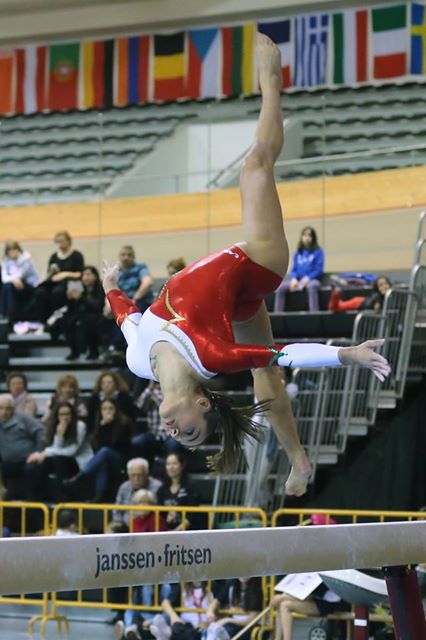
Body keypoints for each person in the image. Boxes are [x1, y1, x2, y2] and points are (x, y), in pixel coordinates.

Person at [101, 34, 391, 497]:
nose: (179, 433)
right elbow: (285, 355)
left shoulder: (139, 363)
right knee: (255, 165)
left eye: (181, 438)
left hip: (236, 300)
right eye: (193, 430)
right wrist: (347, 355)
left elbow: (127, 320)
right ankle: (271, 84)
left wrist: (110, 285)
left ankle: (298, 460)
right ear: (200, 402)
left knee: (266, 380)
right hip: (257, 264)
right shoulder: (212, 356)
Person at [64, 398, 133, 502]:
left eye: (111, 408)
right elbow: (98, 448)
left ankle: (82, 476)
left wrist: (108, 426)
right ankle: (99, 495)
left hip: (121, 460)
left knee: (105, 452)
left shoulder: (124, 424)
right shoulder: (99, 425)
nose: (108, 411)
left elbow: (118, 445)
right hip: (105, 458)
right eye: (104, 409)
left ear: (116, 410)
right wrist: (104, 427)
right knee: (102, 463)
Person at [27, 401, 93, 501]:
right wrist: (59, 435)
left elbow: (72, 451)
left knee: (57, 460)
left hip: (79, 462)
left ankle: (61, 496)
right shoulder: (56, 427)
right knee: (40, 463)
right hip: (62, 460)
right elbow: (57, 448)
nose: (65, 417)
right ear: (57, 416)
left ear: (72, 414)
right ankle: (36, 497)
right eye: (62, 414)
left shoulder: (80, 426)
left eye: (67, 414)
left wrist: (45, 453)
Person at [26, 230, 85, 323]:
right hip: (54, 282)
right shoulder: (54, 256)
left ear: (68, 241)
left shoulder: (76, 255)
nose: (60, 244)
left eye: (62, 241)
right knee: (40, 292)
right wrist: (52, 272)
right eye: (58, 242)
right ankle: (43, 320)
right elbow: (49, 274)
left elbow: (80, 273)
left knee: (57, 292)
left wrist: (65, 274)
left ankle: (58, 321)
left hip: (69, 282)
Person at [0, 394, 46, 500]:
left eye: (8, 409)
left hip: (28, 459)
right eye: (1, 408)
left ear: (13, 409)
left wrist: (38, 452)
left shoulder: (22, 418)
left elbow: (40, 431)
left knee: (32, 469)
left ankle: (32, 504)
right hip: (8, 462)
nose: (4, 412)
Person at [274, 227, 324, 312]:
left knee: (312, 286)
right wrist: (294, 279)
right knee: (281, 287)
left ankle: (314, 314)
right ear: (302, 237)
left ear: (313, 237)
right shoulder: (298, 253)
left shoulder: (318, 252)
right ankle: (278, 315)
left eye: (309, 235)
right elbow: (294, 269)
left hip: (313, 280)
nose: (307, 237)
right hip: (298, 281)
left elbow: (319, 270)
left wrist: (308, 278)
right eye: (305, 235)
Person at [63, 265, 105, 360]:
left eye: (88, 274)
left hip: (97, 316)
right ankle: (74, 351)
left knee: (88, 320)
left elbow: (97, 306)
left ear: (95, 276)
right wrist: (70, 298)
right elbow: (73, 308)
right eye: (84, 275)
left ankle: (93, 350)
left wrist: (81, 297)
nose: (85, 277)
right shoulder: (80, 288)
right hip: (81, 315)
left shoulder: (100, 288)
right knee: (67, 320)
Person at [132, 381, 182, 462]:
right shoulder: (150, 391)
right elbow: (139, 406)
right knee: (137, 441)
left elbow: (168, 407)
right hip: (153, 433)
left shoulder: (174, 390)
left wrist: (155, 393)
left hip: (171, 433)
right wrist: (149, 389)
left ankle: (170, 470)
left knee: (173, 444)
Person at [157, 452, 201, 531]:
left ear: (181, 466)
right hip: (167, 532)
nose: (171, 467)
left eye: (174, 463)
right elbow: (160, 515)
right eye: (168, 464)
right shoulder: (162, 489)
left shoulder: (190, 487)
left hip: (189, 532)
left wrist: (176, 532)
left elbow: (192, 515)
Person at [113, 457, 161, 524]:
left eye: (140, 475)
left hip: (147, 527)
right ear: (129, 476)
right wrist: (120, 526)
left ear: (147, 474)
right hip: (124, 528)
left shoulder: (157, 487)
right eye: (133, 475)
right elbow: (117, 511)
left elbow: (157, 512)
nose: (136, 478)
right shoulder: (124, 487)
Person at [0, 239, 39, 321]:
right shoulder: (6, 260)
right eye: (10, 251)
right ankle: (4, 314)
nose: (12, 253)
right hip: (15, 284)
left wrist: (13, 279)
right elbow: (4, 278)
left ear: (18, 250)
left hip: (30, 285)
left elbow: (20, 275)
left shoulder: (26, 259)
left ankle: (10, 315)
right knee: (7, 286)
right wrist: (14, 279)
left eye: (14, 250)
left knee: (9, 285)